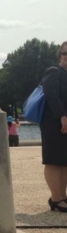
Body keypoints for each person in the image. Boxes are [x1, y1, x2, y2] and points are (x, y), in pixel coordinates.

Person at [40, 41, 67, 212]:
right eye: (65, 53)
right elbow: (51, 95)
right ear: (60, 55)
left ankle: (62, 196)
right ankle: (56, 198)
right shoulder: (54, 71)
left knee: (64, 162)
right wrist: (62, 115)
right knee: (53, 161)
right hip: (53, 122)